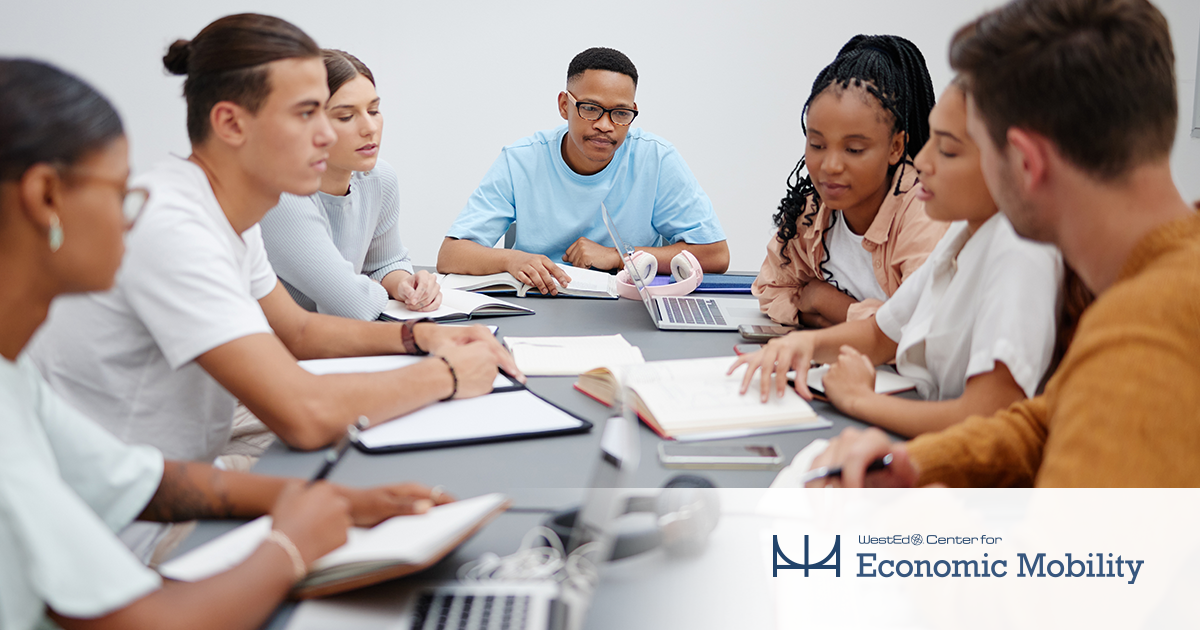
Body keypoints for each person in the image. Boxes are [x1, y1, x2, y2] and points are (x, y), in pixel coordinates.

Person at [0, 56, 454, 630]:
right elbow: (154, 623)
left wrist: (325, 501)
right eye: (120, 193)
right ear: (45, 198)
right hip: (141, 564)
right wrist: (291, 544)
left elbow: (143, 478)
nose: (334, 133)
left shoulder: (11, 381)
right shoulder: (171, 223)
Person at [28, 16, 519, 472]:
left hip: (192, 458)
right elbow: (303, 414)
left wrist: (422, 337)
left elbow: (300, 331)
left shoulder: (228, 215)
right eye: (310, 114)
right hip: (140, 516)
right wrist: (449, 375)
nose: (331, 135)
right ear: (231, 124)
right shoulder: (175, 227)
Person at [802, 0, 1200, 488]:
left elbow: (1071, 558)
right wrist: (917, 464)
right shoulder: (1161, 274)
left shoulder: (1144, 333)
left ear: (1027, 164)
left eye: (965, 148)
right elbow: (1041, 421)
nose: (928, 164)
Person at [732, 82, 1070, 438]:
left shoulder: (1021, 250)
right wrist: (804, 344)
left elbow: (986, 417)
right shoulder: (964, 234)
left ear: (1020, 162)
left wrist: (860, 399)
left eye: (949, 151)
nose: (922, 161)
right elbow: (882, 334)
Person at [436, 47, 730, 296]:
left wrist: (619, 256)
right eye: (590, 108)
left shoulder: (656, 158)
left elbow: (716, 255)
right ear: (565, 105)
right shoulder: (521, 161)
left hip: (627, 305)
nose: (605, 125)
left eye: (621, 113)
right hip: (541, 303)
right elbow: (451, 255)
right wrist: (510, 259)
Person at [751, 35, 949, 328]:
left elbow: (915, 332)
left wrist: (822, 299)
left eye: (854, 150)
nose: (830, 166)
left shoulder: (924, 212)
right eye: (817, 145)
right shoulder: (814, 210)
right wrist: (843, 322)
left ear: (896, 147)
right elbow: (771, 288)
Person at [260, 49, 441, 321]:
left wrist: (405, 284)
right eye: (346, 116)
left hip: (333, 343)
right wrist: (370, 289)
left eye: (374, 110)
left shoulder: (380, 178)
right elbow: (351, 306)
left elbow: (385, 261)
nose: (370, 128)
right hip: (273, 350)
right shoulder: (281, 194)